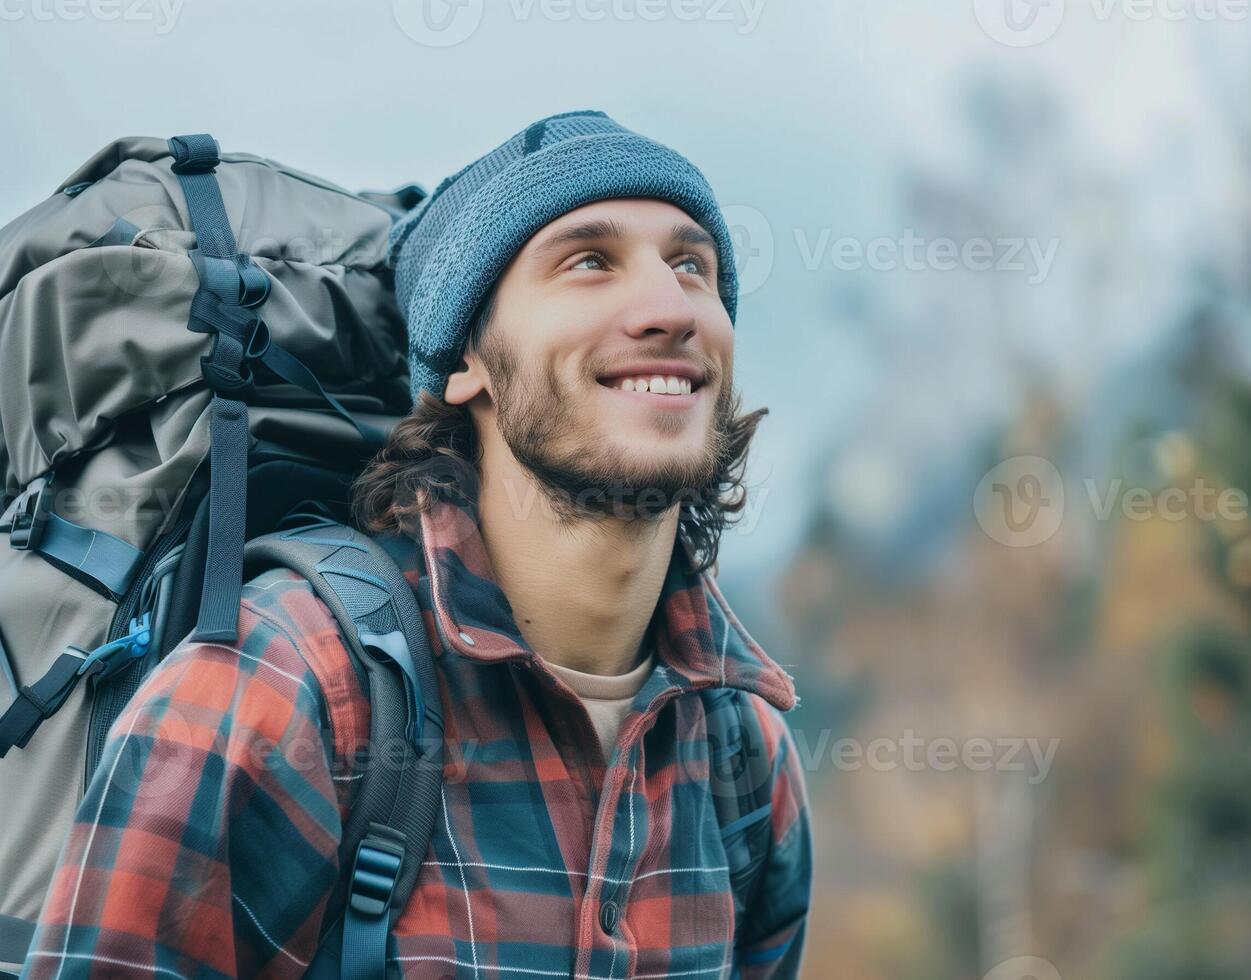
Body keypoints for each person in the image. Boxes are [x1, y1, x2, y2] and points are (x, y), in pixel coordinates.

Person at [22, 109, 811, 979]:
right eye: (589, 262)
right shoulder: (280, 692)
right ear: (465, 359)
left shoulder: (743, 753)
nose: (668, 307)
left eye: (692, 266)